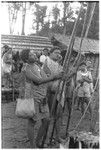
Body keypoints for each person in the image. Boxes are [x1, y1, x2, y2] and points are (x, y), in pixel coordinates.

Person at [19, 49, 63, 148]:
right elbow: (38, 81)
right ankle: (33, 145)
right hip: (32, 97)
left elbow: (46, 77)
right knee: (32, 122)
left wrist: (56, 74)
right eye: (31, 54)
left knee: (46, 120)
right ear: (26, 58)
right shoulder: (26, 68)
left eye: (34, 53)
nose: (35, 55)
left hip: (42, 97)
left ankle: (38, 141)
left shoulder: (37, 66)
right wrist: (53, 77)